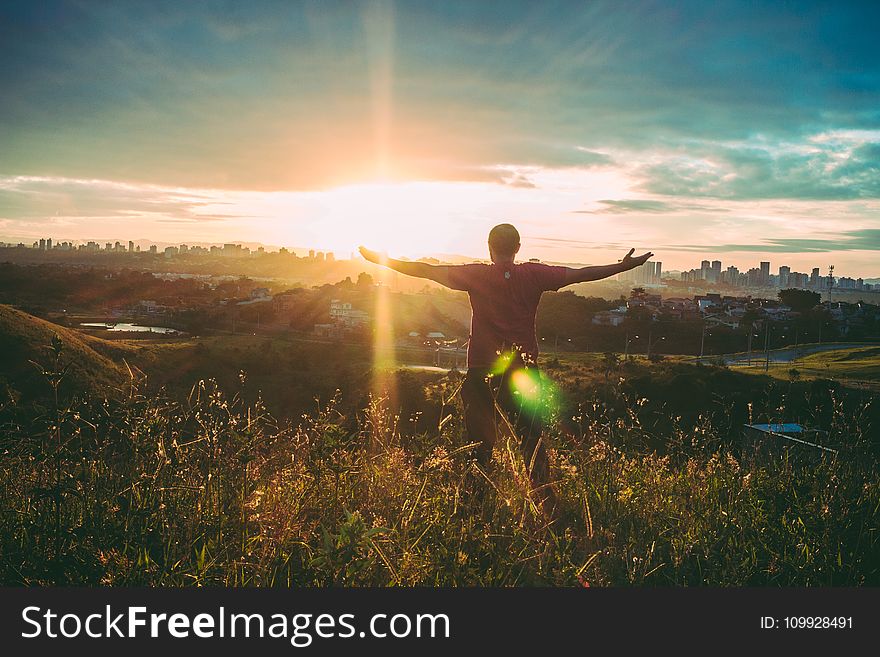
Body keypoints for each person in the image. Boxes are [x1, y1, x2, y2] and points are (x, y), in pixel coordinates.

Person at [359, 224, 652, 517]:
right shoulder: (534, 275)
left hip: (482, 371)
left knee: (479, 445)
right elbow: (582, 274)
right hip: (522, 370)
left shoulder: (476, 275)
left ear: (489, 247)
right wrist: (623, 266)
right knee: (531, 441)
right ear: (518, 247)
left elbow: (424, 270)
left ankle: (474, 510)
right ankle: (546, 507)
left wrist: (382, 260)